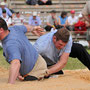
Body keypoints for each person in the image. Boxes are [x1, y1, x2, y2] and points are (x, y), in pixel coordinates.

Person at [0, 17, 48, 84]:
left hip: (36, 71)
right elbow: (26, 27)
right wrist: (34, 28)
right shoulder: (14, 28)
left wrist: (10, 84)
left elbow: (16, 63)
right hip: (37, 61)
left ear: (1, 30)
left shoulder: (11, 44)